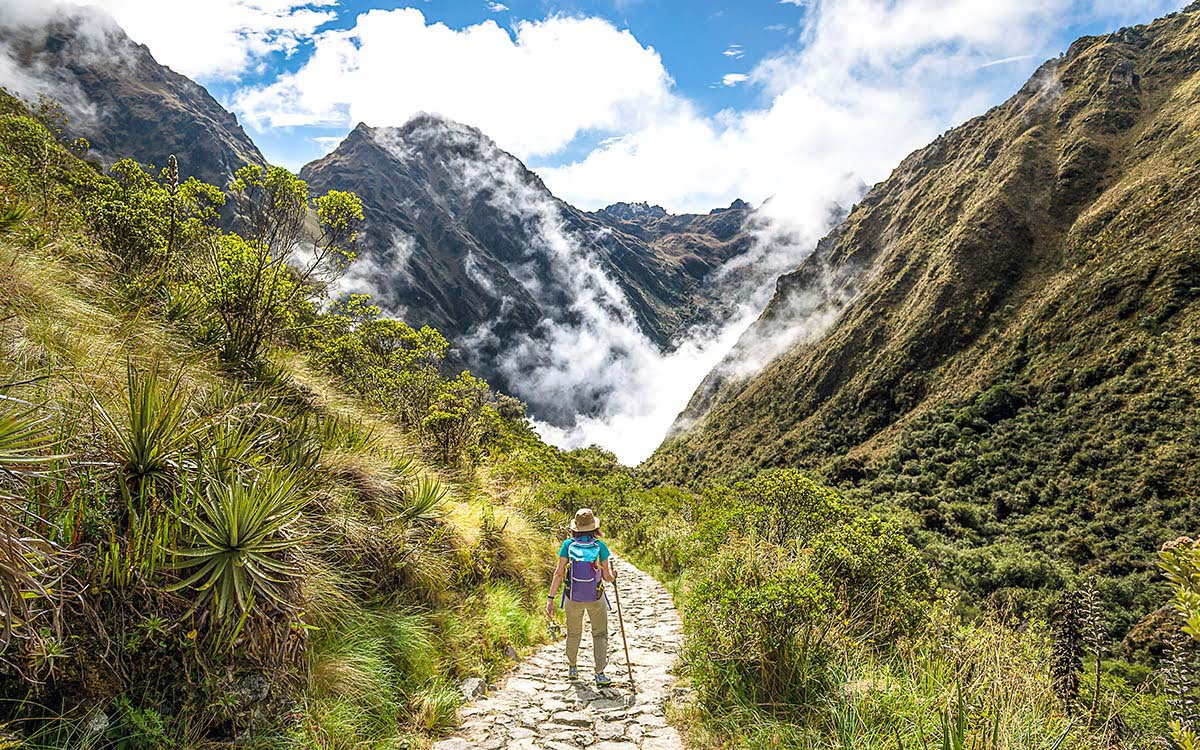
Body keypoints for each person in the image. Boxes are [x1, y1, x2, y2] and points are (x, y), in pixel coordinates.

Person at [546, 508, 616, 686]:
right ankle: (599, 674)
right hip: (595, 597)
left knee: (574, 633)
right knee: (599, 634)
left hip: (573, 597)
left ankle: (572, 668)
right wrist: (614, 575)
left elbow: (559, 573)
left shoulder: (568, 545)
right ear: (594, 527)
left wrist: (550, 598)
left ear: (575, 527)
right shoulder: (600, 546)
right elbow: (607, 577)